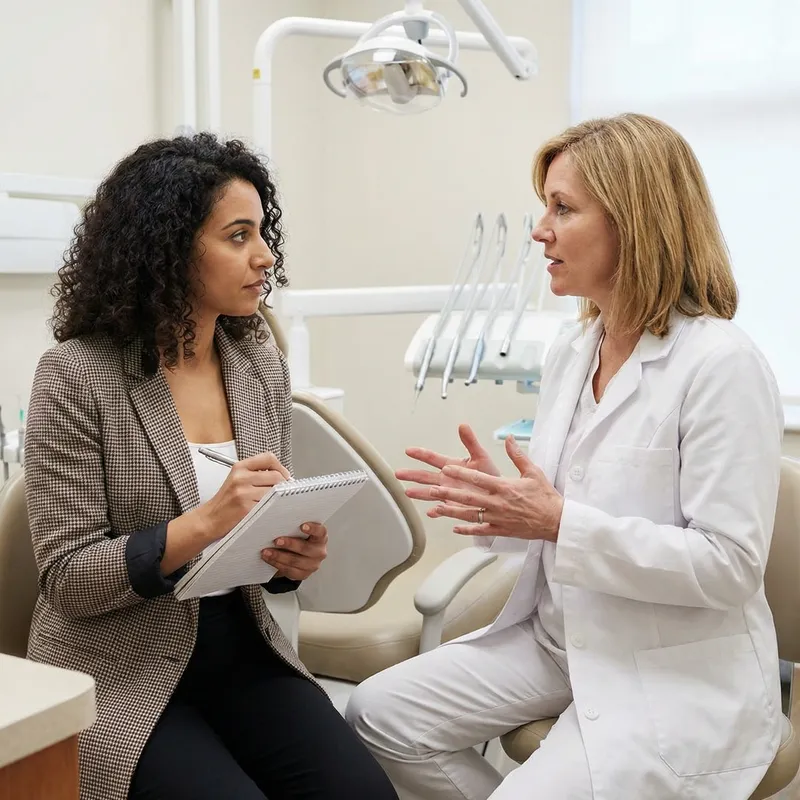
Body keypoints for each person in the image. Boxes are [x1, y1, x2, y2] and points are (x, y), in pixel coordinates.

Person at [346, 113, 785, 800]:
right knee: (378, 715)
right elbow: (554, 512)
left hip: (668, 669)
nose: (539, 231)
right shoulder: (573, 351)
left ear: (633, 221)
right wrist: (500, 508)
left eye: (562, 208)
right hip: (557, 641)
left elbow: (727, 567)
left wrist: (557, 521)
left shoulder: (720, 364)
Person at [24, 133, 398, 800]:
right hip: (120, 665)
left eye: (262, 232)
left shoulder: (257, 366)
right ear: (168, 248)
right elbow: (69, 580)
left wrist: (288, 560)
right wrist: (205, 524)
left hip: (241, 652)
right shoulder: (75, 377)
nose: (265, 256)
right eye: (238, 236)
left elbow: (256, 537)